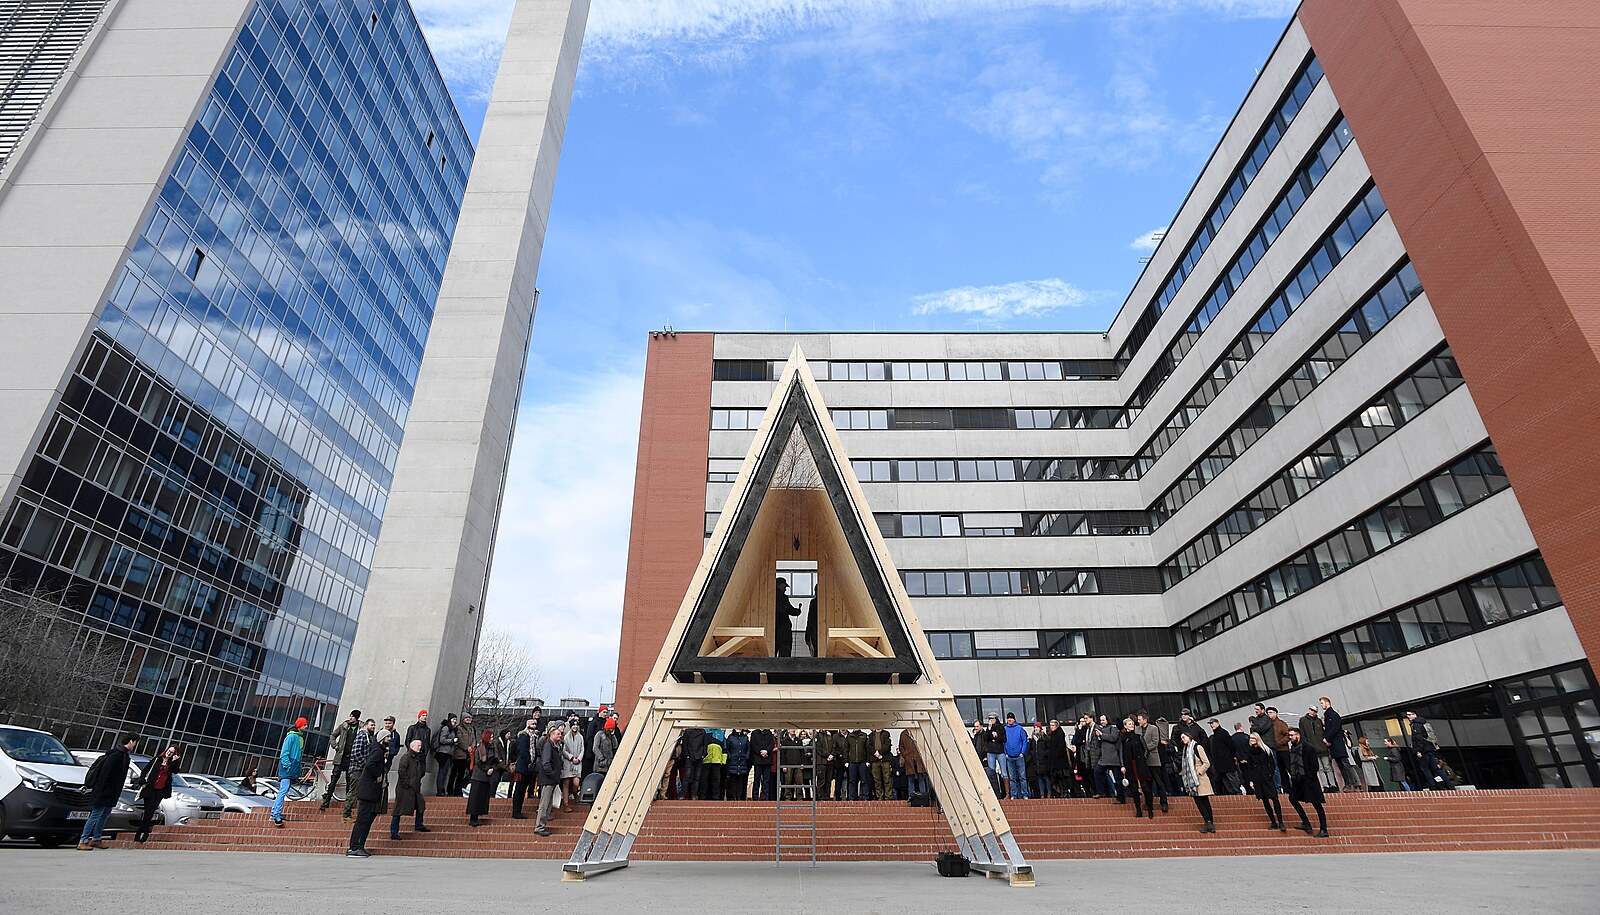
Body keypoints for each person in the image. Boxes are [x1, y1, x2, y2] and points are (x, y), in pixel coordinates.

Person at [78, 734, 136, 850]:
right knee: (96, 814)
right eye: (135, 742)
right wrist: (105, 791)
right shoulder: (115, 755)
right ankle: (83, 840)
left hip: (112, 792)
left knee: (104, 814)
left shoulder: (123, 755)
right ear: (131, 741)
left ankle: (96, 839)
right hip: (104, 791)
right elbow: (105, 775)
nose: (135, 745)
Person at [347, 727, 390, 857]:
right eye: (388, 737)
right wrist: (378, 774)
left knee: (363, 820)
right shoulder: (377, 751)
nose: (390, 739)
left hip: (369, 792)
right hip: (368, 792)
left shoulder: (379, 751)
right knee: (361, 820)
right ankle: (354, 848)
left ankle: (356, 847)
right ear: (383, 739)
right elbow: (369, 765)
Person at [1285, 727, 1329, 838]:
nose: (1290, 738)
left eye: (1292, 735)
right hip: (1298, 780)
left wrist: (1309, 777)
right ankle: (1306, 823)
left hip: (1309, 780)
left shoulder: (1308, 748)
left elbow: (1314, 765)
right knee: (1292, 799)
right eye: (1289, 736)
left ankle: (1324, 829)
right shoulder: (1293, 748)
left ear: (1298, 735)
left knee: (1317, 804)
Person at [134, 744, 181, 843]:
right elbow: (145, 770)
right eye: (168, 751)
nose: (169, 753)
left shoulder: (171, 764)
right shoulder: (157, 759)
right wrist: (142, 781)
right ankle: (142, 832)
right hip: (150, 788)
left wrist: (174, 761)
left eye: (172, 752)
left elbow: (175, 771)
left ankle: (144, 831)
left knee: (151, 811)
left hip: (160, 790)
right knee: (148, 810)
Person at [1245, 732, 1285, 832]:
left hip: (1266, 776)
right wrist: (1251, 780)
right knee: (1264, 800)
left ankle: (1280, 822)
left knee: (1274, 798)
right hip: (1257, 777)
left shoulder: (1265, 749)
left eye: (1253, 738)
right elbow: (1249, 766)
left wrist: (1269, 774)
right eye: (1250, 738)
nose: (1251, 740)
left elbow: (1272, 763)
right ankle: (1273, 822)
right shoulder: (1249, 751)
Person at [390, 738, 429, 838]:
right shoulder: (406, 757)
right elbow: (401, 771)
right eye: (418, 746)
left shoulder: (418, 758)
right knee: (398, 810)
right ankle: (394, 832)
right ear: (412, 747)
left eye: (420, 745)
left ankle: (419, 824)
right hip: (405, 789)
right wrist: (407, 783)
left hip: (415, 788)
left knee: (421, 805)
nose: (420, 747)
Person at [321, 710, 360, 811]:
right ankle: (326, 801)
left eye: (353, 717)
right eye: (350, 716)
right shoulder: (343, 726)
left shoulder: (360, 728)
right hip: (340, 757)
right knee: (333, 780)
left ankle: (348, 805)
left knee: (349, 781)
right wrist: (335, 746)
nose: (350, 718)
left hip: (352, 759)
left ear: (357, 718)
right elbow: (333, 735)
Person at [1178, 731, 1216, 834]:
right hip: (1192, 780)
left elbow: (1207, 762)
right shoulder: (1186, 750)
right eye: (1181, 738)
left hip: (1199, 778)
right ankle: (1208, 822)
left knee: (1203, 800)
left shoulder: (1197, 747)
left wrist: (1199, 772)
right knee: (1199, 801)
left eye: (1184, 737)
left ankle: (1209, 822)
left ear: (1189, 736)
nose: (1183, 739)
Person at [271, 717, 306, 827]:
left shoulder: (298, 737)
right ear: (300, 726)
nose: (306, 726)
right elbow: (284, 753)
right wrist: (288, 765)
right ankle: (275, 814)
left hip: (291, 768)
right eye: (305, 724)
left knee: (284, 790)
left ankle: (275, 813)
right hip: (289, 768)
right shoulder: (292, 737)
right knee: (283, 789)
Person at [342, 718, 377, 821]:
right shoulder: (362, 735)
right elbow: (356, 751)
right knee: (353, 791)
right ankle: (346, 814)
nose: (373, 727)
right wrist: (364, 764)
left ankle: (348, 814)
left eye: (374, 725)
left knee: (356, 792)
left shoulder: (368, 737)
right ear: (366, 725)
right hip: (357, 769)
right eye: (371, 725)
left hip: (361, 769)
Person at [1406, 711, 1450, 789]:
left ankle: (1433, 787)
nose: (1408, 716)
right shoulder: (1423, 722)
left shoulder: (1416, 725)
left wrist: (1418, 750)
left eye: (1409, 715)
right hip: (1430, 747)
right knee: (1435, 768)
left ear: (1414, 715)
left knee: (1425, 769)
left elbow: (1418, 738)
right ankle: (1448, 783)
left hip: (1424, 750)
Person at [535, 722, 564, 836]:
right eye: (557, 734)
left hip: (551, 779)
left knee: (548, 804)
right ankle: (539, 826)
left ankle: (542, 825)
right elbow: (545, 763)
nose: (560, 736)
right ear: (551, 735)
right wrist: (552, 774)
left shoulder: (554, 746)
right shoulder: (548, 745)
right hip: (548, 779)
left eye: (560, 734)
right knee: (544, 804)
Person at [1119, 717, 1153, 817]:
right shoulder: (1123, 738)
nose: (1132, 725)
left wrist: (1143, 759)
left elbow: (1145, 749)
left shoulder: (1138, 737)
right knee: (1134, 789)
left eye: (1132, 724)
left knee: (1145, 787)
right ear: (1125, 726)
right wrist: (1122, 765)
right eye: (1129, 724)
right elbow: (1121, 753)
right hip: (1130, 765)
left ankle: (1150, 809)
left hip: (1140, 764)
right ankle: (1138, 810)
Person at [468, 730, 500, 826]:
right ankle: (473, 818)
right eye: (490, 737)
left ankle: (478, 815)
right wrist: (487, 769)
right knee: (475, 797)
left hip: (487, 776)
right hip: (479, 775)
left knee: (482, 797)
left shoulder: (493, 748)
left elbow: (496, 760)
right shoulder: (480, 748)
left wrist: (492, 769)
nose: (492, 739)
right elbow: (478, 761)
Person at [1299, 706, 1334, 790]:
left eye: (1315, 711)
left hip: (1322, 747)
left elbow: (1323, 732)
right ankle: (1325, 785)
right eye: (1312, 710)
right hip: (1312, 748)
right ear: (1309, 710)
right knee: (1319, 768)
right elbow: (1303, 734)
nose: (1313, 712)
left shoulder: (1318, 721)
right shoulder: (1303, 720)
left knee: (1327, 767)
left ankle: (1332, 785)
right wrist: (1307, 745)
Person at [511, 718, 539, 818]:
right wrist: (528, 762)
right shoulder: (523, 736)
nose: (534, 726)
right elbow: (523, 751)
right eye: (532, 724)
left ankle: (518, 810)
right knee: (519, 789)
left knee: (523, 789)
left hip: (529, 767)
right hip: (522, 767)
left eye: (535, 724)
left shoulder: (535, 737)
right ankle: (516, 811)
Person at [1206, 719, 1239, 796]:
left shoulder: (1223, 733)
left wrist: (1232, 756)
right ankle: (1232, 792)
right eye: (1210, 724)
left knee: (1231, 778)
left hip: (1226, 760)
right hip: (1219, 762)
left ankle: (1237, 792)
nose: (1211, 725)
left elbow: (1231, 746)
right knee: (1225, 779)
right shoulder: (1215, 735)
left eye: (1213, 723)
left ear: (1217, 723)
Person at [1002, 713, 1029, 799]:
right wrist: (1006, 753)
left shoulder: (1020, 729)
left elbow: (1024, 741)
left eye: (1011, 718)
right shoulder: (1005, 729)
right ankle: (1014, 795)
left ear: (1014, 719)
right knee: (1012, 777)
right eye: (1008, 718)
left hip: (1019, 756)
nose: (1009, 720)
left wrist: (1022, 753)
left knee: (1022, 776)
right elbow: (1003, 742)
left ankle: (1025, 794)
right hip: (1009, 757)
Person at [1095, 714, 1122, 801]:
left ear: (1107, 720)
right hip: (1104, 758)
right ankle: (1101, 792)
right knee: (1097, 772)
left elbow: (1113, 738)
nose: (1102, 722)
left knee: (1118, 779)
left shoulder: (1112, 728)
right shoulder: (1101, 729)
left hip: (1113, 757)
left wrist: (1101, 735)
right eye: (1101, 720)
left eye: (1103, 720)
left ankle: (1120, 797)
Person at [432, 713, 459, 796]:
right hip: (443, 753)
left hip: (449, 753)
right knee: (442, 771)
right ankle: (439, 789)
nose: (454, 721)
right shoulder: (446, 728)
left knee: (445, 772)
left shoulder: (453, 729)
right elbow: (442, 740)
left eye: (455, 719)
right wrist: (452, 741)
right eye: (453, 719)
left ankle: (442, 789)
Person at [774, 577, 801, 658]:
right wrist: (798, 611)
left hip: (773, 632)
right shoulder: (782, 597)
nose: (785, 589)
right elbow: (789, 610)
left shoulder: (770, 596)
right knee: (785, 655)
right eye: (784, 587)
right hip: (783, 631)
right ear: (778, 585)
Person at [1042, 720, 1069, 799]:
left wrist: (1056, 756)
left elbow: (1061, 748)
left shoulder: (1059, 734)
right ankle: (1060, 792)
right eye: (1050, 725)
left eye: (1053, 725)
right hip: (1054, 761)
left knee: (1061, 777)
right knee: (1057, 777)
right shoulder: (1053, 735)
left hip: (1059, 761)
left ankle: (1064, 791)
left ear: (1056, 726)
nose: (1051, 727)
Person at [562, 716, 586, 804]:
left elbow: (582, 749)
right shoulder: (566, 737)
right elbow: (564, 750)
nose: (575, 727)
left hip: (577, 763)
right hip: (568, 762)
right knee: (566, 783)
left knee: (576, 783)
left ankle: (575, 794)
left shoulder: (580, 737)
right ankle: (566, 803)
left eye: (576, 725)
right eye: (573, 725)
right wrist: (571, 757)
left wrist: (579, 759)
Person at [404, 710, 431, 786]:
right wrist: (412, 750)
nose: (425, 717)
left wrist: (425, 752)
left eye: (426, 715)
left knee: (421, 772)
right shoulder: (412, 728)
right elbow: (408, 740)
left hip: (422, 755)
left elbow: (427, 742)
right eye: (423, 715)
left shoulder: (428, 730)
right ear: (419, 717)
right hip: (413, 753)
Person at [450, 713, 475, 796]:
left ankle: (458, 790)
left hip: (467, 756)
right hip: (458, 754)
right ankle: (450, 790)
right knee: (454, 773)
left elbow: (473, 739)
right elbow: (459, 739)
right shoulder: (459, 728)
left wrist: (472, 747)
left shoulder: (471, 729)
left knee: (461, 774)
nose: (468, 719)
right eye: (467, 717)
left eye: (470, 718)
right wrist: (467, 747)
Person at [898, 729, 927, 798]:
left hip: (919, 759)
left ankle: (923, 797)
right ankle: (911, 797)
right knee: (911, 779)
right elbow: (901, 746)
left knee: (921, 778)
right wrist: (905, 755)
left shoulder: (917, 731)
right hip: (909, 759)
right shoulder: (903, 733)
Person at [749, 727, 776, 801]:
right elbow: (753, 745)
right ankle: (755, 797)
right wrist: (760, 752)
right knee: (756, 779)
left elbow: (772, 744)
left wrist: (767, 751)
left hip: (767, 760)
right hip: (758, 760)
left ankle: (765, 797)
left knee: (766, 780)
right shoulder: (754, 733)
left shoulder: (769, 733)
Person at [725, 727, 752, 800]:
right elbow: (727, 748)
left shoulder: (745, 738)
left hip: (742, 762)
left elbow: (748, 749)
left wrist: (746, 756)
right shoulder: (730, 737)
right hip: (733, 762)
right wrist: (730, 756)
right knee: (733, 781)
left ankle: (739, 797)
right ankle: (734, 797)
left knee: (741, 782)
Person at [844, 728, 870, 801]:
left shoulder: (864, 736)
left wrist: (868, 761)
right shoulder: (849, 736)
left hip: (862, 762)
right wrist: (846, 761)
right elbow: (845, 749)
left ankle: (866, 797)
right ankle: (851, 798)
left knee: (864, 780)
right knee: (852, 781)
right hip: (852, 762)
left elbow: (868, 749)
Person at [869, 726, 894, 800]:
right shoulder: (871, 735)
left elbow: (887, 745)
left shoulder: (886, 733)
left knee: (887, 779)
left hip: (885, 759)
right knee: (877, 780)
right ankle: (879, 797)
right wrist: (875, 753)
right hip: (875, 760)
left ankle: (888, 796)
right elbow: (869, 746)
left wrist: (880, 753)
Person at [593, 716, 621, 782]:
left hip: (609, 765)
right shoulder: (599, 734)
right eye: (609, 729)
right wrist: (601, 758)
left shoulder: (611, 736)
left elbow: (615, 746)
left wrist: (613, 736)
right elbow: (595, 748)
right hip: (600, 766)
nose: (610, 730)